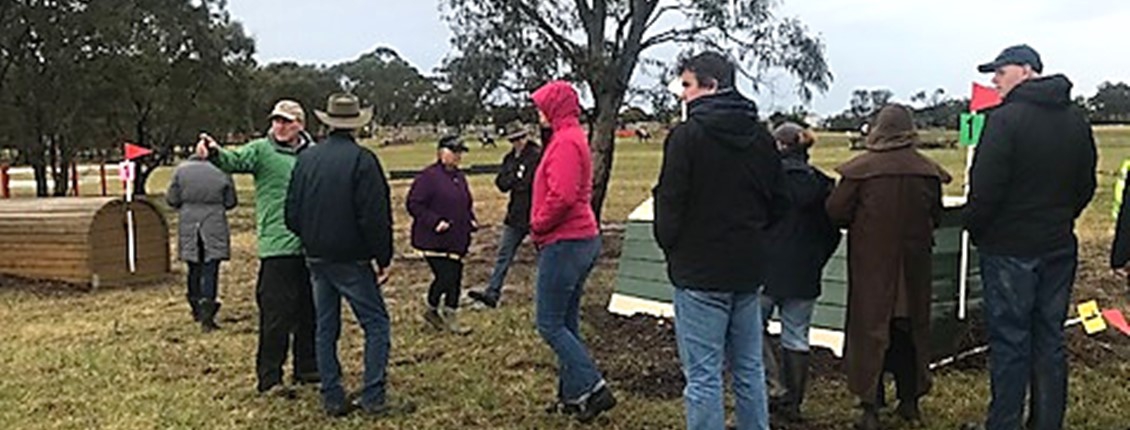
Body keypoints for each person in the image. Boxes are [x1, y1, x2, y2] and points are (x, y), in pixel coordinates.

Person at [964, 44, 1096, 430]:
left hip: (1008, 249)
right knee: (1049, 339)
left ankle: (1004, 423)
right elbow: (1085, 184)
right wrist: (1060, 218)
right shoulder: (1076, 120)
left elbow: (985, 190)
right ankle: (1047, 422)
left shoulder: (1003, 121)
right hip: (1058, 244)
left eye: (1000, 72)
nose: (994, 80)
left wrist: (978, 229)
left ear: (1025, 70)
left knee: (1010, 342)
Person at [653, 51, 784, 430]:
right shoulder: (761, 138)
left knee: (703, 375)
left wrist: (672, 246)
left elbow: (670, 202)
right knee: (749, 368)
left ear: (710, 86)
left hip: (699, 272)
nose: (682, 94)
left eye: (687, 85)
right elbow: (779, 201)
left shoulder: (685, 137)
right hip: (747, 268)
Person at [285, 93, 413, 418]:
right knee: (376, 324)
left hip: (316, 257)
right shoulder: (364, 161)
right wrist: (383, 257)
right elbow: (375, 216)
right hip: (351, 259)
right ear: (357, 124)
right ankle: (373, 396)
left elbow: (291, 213)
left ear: (328, 122)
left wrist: (312, 238)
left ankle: (331, 395)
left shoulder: (306, 159)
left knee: (325, 327)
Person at [826, 104, 951, 430]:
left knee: (869, 332)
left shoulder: (861, 171)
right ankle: (910, 402)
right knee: (911, 331)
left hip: (872, 266)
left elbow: (836, 211)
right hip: (913, 267)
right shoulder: (926, 172)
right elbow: (936, 215)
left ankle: (870, 406)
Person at [196, 99, 318, 395]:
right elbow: (234, 160)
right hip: (277, 247)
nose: (280, 126)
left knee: (309, 311)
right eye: (276, 120)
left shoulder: (314, 154)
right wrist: (214, 152)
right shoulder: (261, 150)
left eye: (287, 121)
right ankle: (270, 377)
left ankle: (307, 367)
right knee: (276, 315)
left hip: (311, 246)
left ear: (300, 125)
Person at [529, 80, 615, 423]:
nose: (538, 112)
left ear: (554, 107)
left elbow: (563, 195)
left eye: (541, 106)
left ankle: (594, 387)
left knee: (548, 323)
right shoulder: (571, 136)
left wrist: (538, 224)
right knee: (566, 321)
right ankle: (572, 395)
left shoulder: (565, 142)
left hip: (566, 241)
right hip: (580, 239)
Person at [760, 123, 840, 423]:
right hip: (805, 271)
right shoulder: (823, 184)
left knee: (751, 329)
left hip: (764, 270)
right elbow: (832, 231)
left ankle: (773, 387)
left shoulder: (766, 181)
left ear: (780, 146)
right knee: (797, 335)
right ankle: (793, 403)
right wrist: (816, 260)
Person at [407, 135, 477, 335]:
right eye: (454, 152)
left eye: (460, 152)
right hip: (434, 240)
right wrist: (435, 221)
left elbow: (465, 203)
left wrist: (471, 219)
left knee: (456, 276)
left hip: (457, 239)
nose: (457, 156)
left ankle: (450, 314)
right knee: (445, 276)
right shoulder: (428, 177)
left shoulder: (459, 177)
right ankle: (432, 309)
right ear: (441, 152)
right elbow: (414, 204)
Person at [468, 123, 542, 308]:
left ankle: (548, 293)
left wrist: (514, 179)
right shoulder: (509, 158)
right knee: (504, 254)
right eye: (514, 139)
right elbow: (502, 183)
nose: (518, 142)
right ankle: (492, 292)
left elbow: (528, 182)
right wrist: (515, 178)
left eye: (521, 138)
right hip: (515, 214)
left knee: (545, 255)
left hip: (536, 213)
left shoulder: (536, 155)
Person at [166, 153, 238, 332]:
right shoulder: (223, 170)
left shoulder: (181, 171)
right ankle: (208, 313)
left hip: (189, 223)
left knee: (193, 267)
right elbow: (231, 201)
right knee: (211, 268)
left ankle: (195, 305)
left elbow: (172, 199)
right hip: (214, 222)